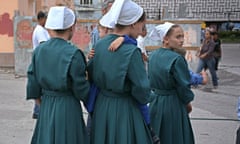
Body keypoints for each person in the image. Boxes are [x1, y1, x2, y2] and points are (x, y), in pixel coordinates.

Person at [87, 0, 155, 143]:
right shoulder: (131, 52)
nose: (141, 30)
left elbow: (91, 74)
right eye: (141, 25)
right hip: (124, 110)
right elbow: (142, 89)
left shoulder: (99, 45)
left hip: (101, 108)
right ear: (133, 23)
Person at [26, 6, 90, 144]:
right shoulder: (74, 53)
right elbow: (82, 90)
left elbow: (32, 84)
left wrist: (42, 104)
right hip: (68, 107)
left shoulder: (39, 51)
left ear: (49, 28)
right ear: (72, 28)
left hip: (47, 105)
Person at [148, 22, 195, 144]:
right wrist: (187, 102)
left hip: (155, 103)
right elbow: (184, 85)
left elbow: (149, 80)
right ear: (166, 39)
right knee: (174, 136)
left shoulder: (153, 56)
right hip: (172, 103)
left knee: (157, 135)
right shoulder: (177, 59)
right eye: (178, 37)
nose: (181, 40)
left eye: (182, 36)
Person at [31, 11, 50, 119]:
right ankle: (38, 111)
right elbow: (44, 46)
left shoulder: (42, 30)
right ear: (41, 19)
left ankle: (37, 110)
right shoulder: (40, 31)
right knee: (41, 86)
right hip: (41, 61)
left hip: (41, 60)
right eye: (45, 19)